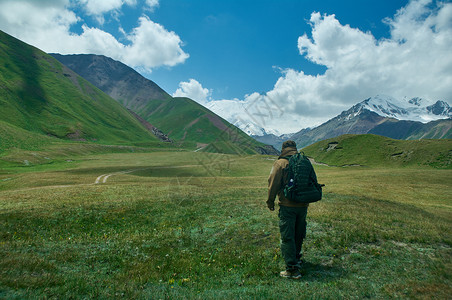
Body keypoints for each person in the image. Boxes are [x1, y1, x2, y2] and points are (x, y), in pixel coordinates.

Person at [267, 140, 308, 279]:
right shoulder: (304, 160)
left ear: (283, 149)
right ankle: (297, 259)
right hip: (303, 205)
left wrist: (270, 201)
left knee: (287, 236)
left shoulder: (281, 163)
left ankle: (291, 269)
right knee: (298, 233)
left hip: (287, 205)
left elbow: (273, 183)